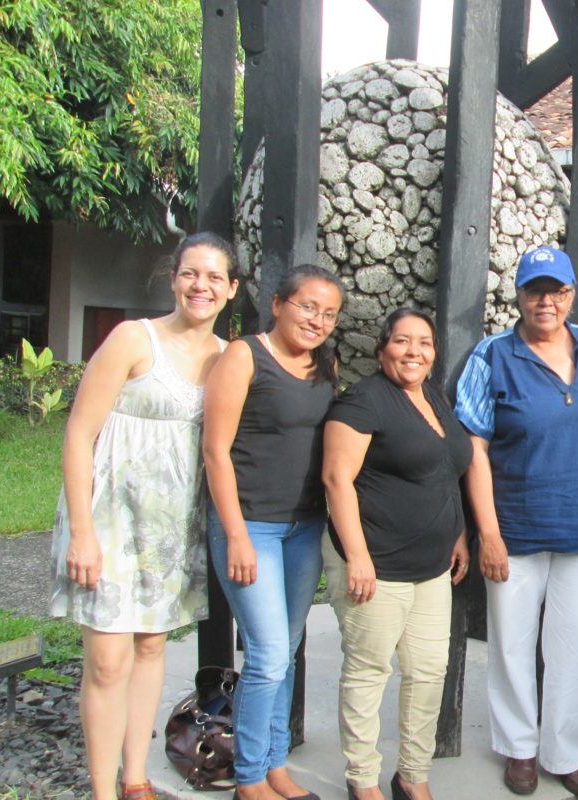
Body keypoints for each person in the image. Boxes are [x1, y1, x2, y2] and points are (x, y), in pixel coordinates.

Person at [50, 232, 238, 800]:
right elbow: (79, 434)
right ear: (174, 277)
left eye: (213, 277)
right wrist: (82, 532)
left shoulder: (227, 357)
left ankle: (136, 778)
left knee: (153, 647)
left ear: (230, 290)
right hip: (107, 520)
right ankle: (102, 789)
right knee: (108, 660)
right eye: (189, 273)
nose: (199, 286)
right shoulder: (135, 338)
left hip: (171, 525)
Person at [454, 246, 578, 798]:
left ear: (572, 295)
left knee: (574, 644)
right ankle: (520, 749)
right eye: (535, 290)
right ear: (519, 296)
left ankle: (564, 751)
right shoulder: (492, 355)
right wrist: (489, 535)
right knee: (511, 644)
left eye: (556, 290)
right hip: (516, 529)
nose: (545, 301)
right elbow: (474, 448)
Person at [203, 264, 344, 800]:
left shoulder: (323, 364)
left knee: (285, 651)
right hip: (251, 525)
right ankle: (249, 778)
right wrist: (236, 533)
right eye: (307, 306)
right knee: (265, 655)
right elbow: (215, 450)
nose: (317, 320)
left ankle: (275, 763)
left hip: (304, 527)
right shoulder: (244, 355)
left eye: (328, 313)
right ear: (280, 303)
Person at [322, 308, 473, 800]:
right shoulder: (363, 402)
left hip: (431, 569)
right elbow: (336, 479)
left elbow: (447, 468)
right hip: (377, 564)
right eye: (403, 342)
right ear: (382, 348)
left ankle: (412, 775)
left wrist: (459, 532)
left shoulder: (433, 396)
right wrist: (357, 556)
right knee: (369, 672)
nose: (414, 352)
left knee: (429, 672)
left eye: (424, 343)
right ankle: (362, 780)